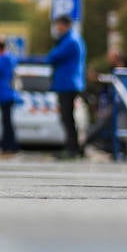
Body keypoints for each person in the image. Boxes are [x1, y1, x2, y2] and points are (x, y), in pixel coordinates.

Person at [45, 15, 86, 160]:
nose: (57, 28)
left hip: (68, 83)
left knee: (67, 117)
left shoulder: (70, 41)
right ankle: (73, 147)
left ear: (65, 25)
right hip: (68, 83)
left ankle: (73, 149)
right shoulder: (72, 39)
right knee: (67, 117)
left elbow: (52, 57)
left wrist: (55, 46)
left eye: (58, 25)